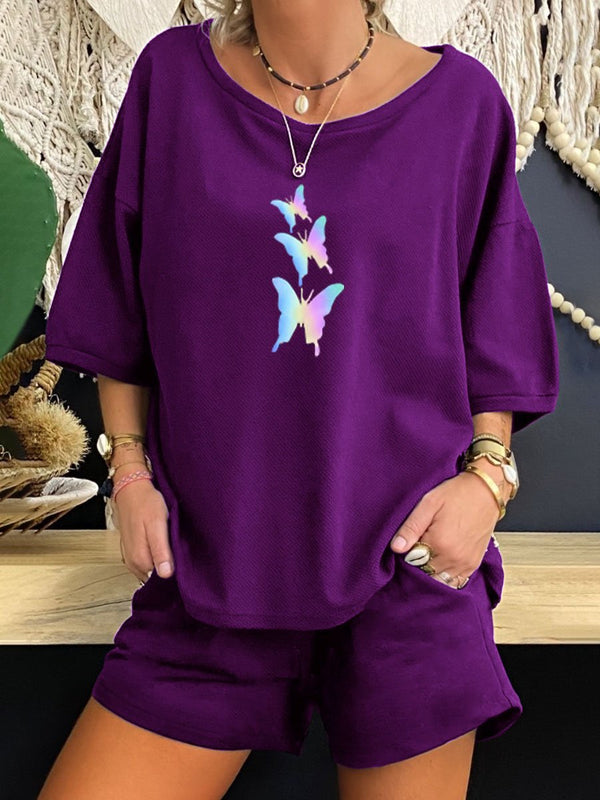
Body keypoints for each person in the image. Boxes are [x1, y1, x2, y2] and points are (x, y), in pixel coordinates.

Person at [39, 1, 560, 798]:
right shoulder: (172, 82)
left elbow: (496, 314)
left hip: (404, 569)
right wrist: (130, 472)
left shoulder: (463, 105)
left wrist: (487, 480)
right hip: (209, 566)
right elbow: (118, 295)